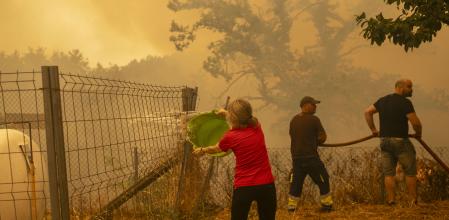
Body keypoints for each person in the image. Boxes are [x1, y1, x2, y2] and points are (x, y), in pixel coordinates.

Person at [193, 99, 276, 220]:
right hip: (266, 185)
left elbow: (217, 149)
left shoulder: (230, 136)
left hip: (244, 187)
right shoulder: (257, 127)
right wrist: (227, 113)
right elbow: (246, 118)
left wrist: (203, 150)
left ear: (233, 118)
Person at [364, 79, 422, 205]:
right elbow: (416, 123)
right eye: (409, 86)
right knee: (410, 172)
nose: (412, 89)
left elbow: (367, 112)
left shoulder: (383, 100)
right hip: (400, 141)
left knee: (388, 173)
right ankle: (413, 201)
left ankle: (391, 200)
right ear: (400, 87)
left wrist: (374, 130)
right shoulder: (405, 103)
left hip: (384, 141)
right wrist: (418, 134)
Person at [288, 96, 333, 212]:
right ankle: (327, 206)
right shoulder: (314, 119)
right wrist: (316, 141)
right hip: (311, 158)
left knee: (296, 184)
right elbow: (323, 137)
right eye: (313, 104)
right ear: (305, 105)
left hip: (297, 159)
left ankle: (291, 208)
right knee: (323, 179)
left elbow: (293, 136)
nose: (315, 106)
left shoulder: (293, 120)